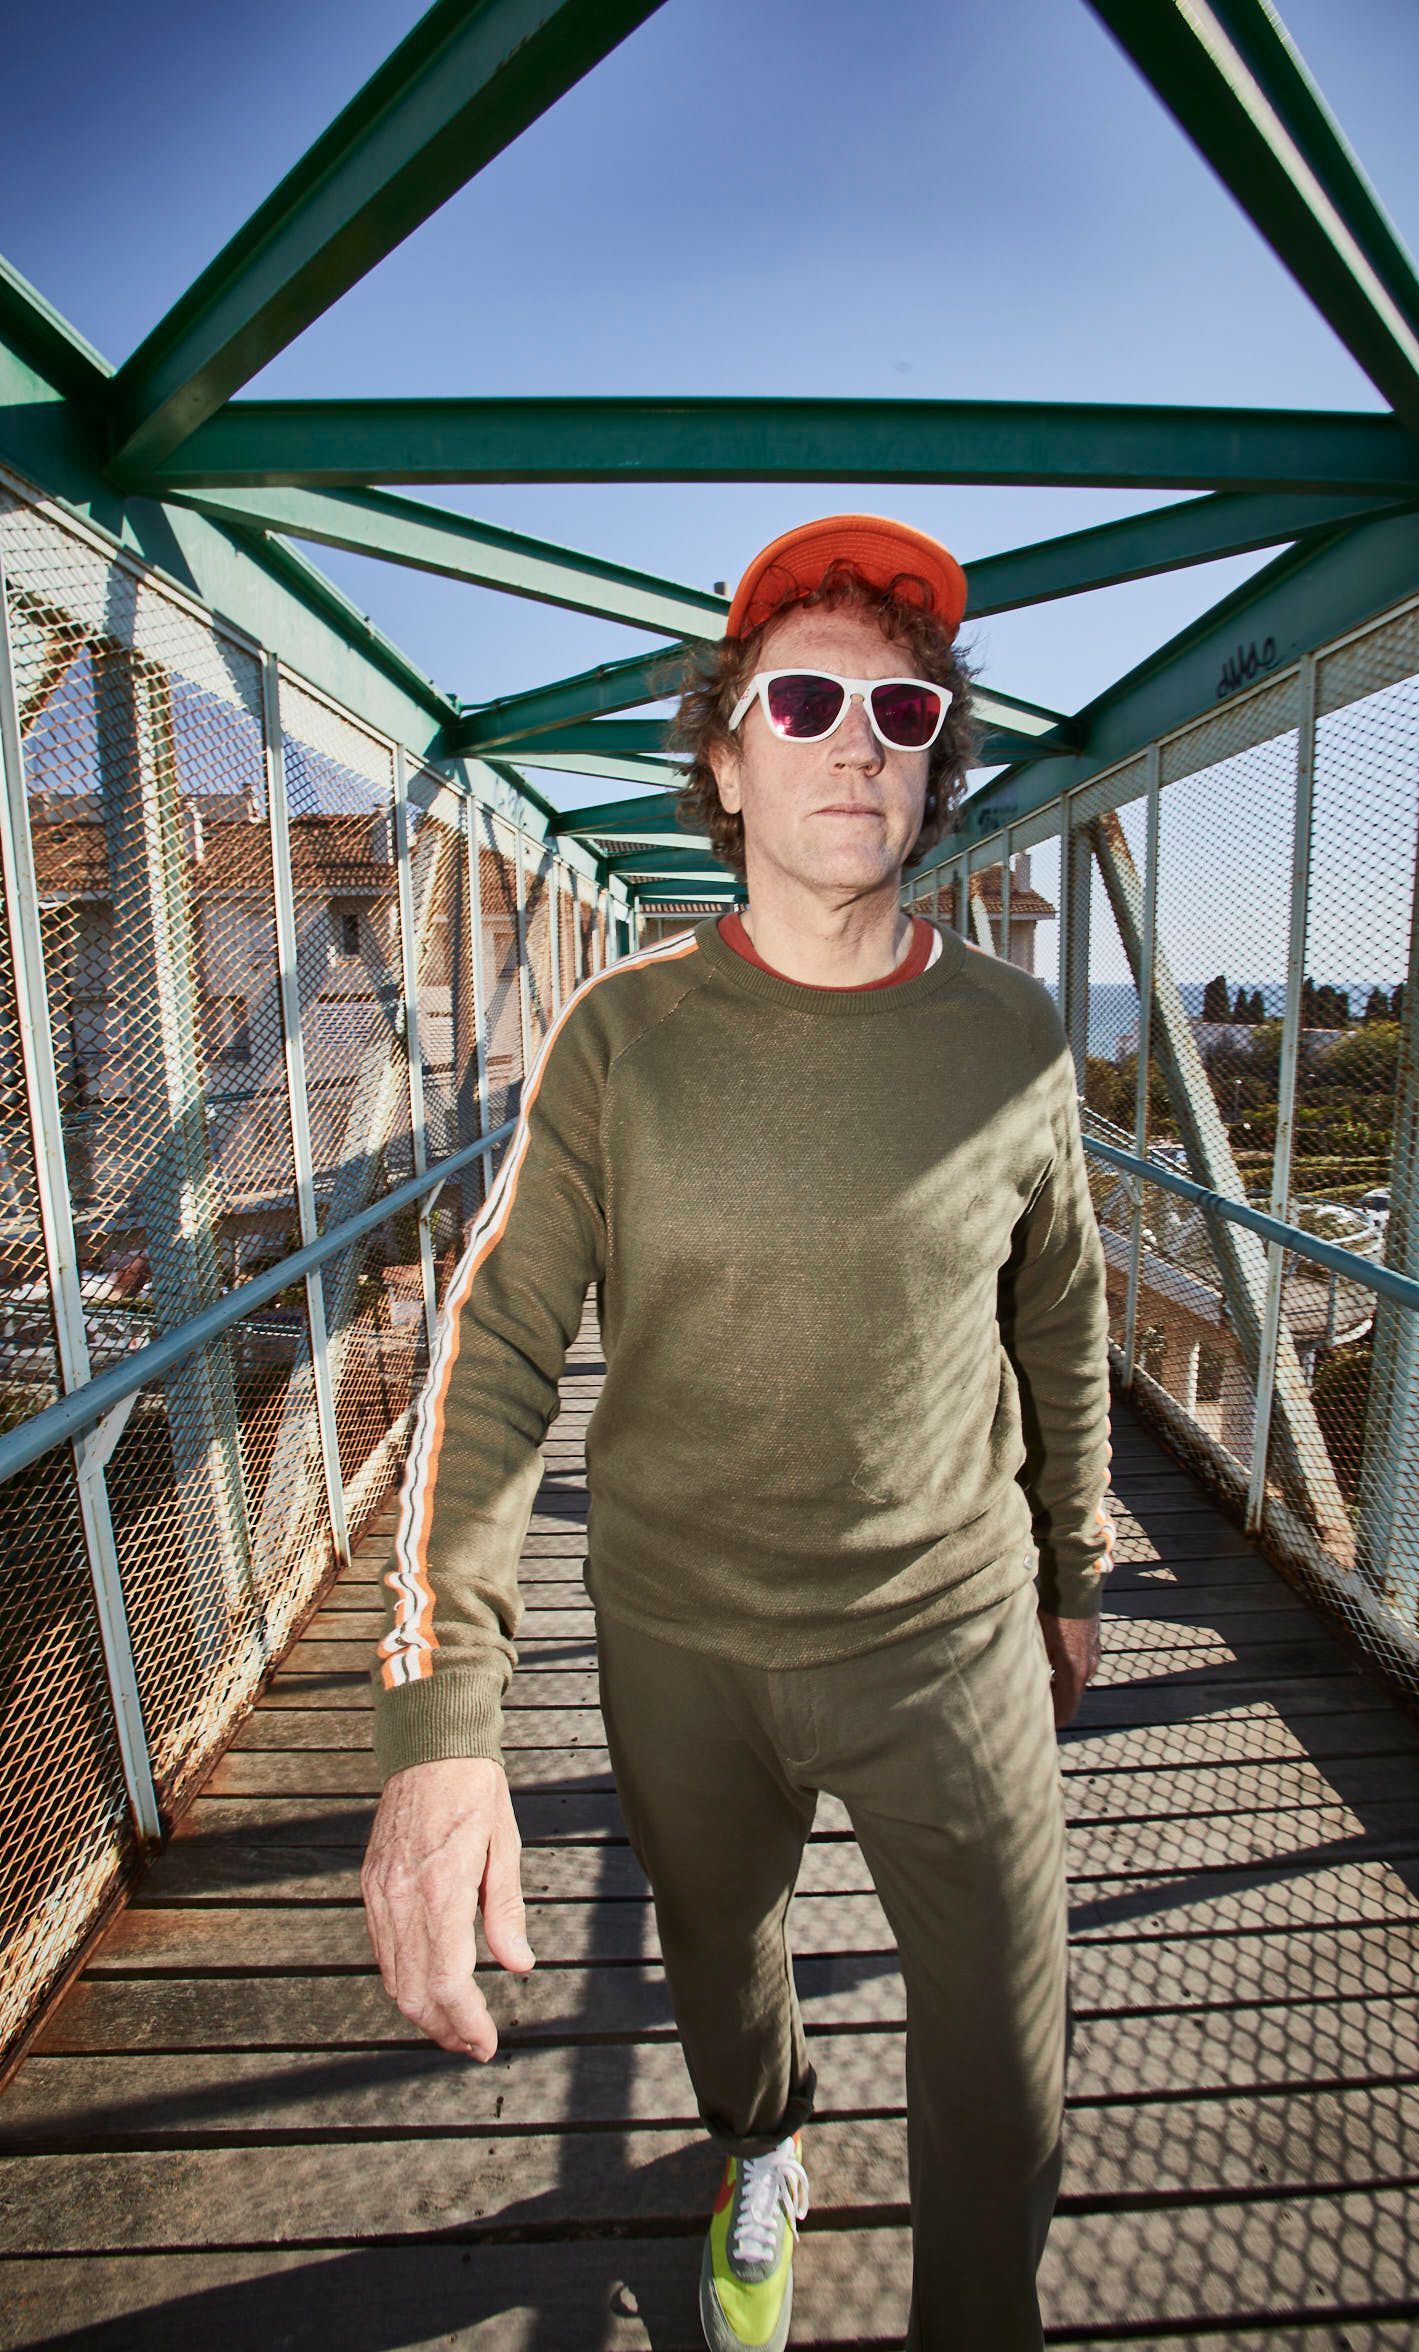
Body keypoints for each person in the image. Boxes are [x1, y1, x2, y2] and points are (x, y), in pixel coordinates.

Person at [361, 513, 1113, 2351]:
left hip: (953, 1636)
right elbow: (498, 1344)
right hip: (682, 1638)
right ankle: (761, 2144)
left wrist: (1074, 1562)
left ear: (939, 764)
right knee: (718, 1966)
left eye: (908, 707)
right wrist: (444, 1719)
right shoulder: (622, 1037)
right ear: (722, 756)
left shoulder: (1016, 1037)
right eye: (805, 698)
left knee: (1010, 2059)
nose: (861, 737)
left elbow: (1063, 1315)